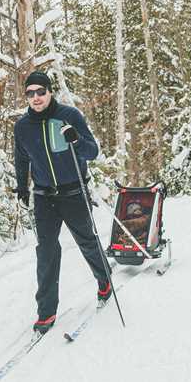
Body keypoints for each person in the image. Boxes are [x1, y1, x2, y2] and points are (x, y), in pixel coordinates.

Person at [14, 70, 111, 334]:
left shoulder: (69, 116)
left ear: (50, 91)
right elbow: (21, 159)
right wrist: (22, 186)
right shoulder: (22, 126)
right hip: (44, 197)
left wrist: (76, 141)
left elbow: (92, 151)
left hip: (73, 192)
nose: (36, 98)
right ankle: (46, 312)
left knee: (87, 241)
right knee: (46, 251)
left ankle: (104, 280)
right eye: (30, 93)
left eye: (40, 92)